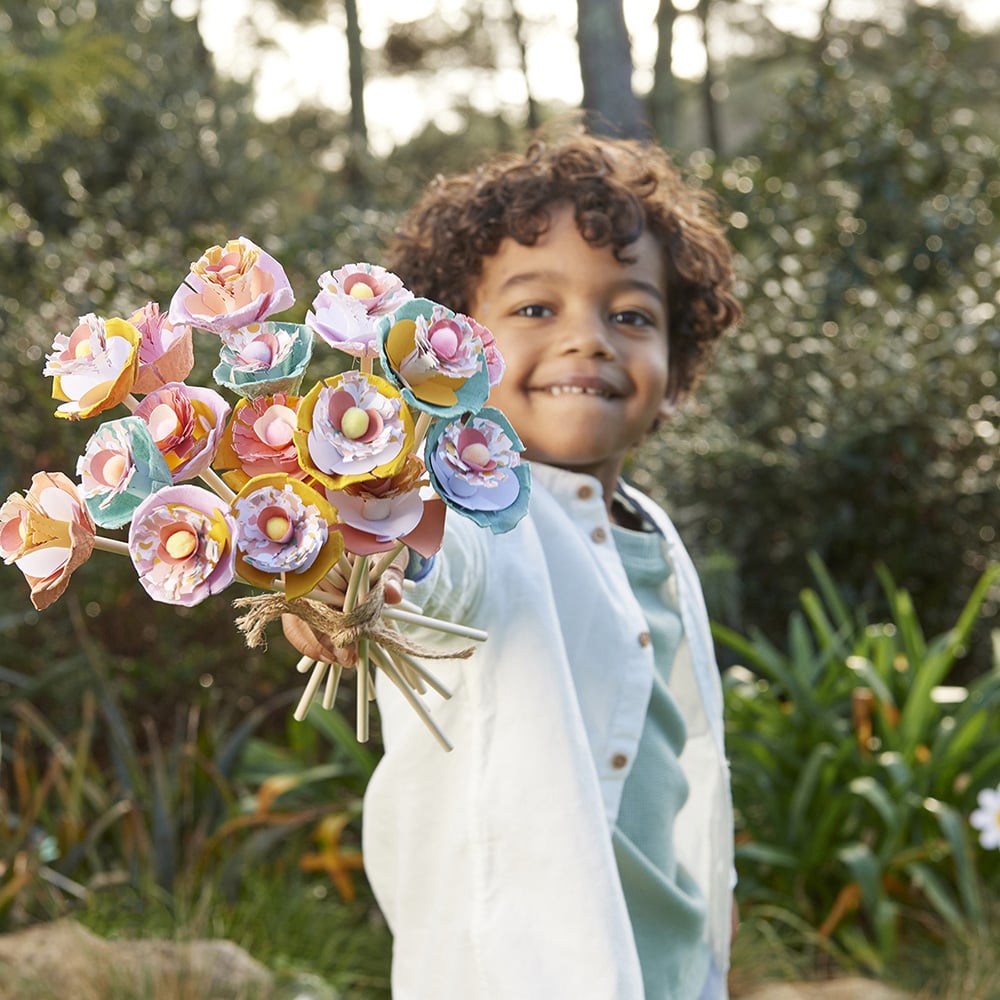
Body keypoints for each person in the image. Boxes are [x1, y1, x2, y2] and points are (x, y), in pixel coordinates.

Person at [363, 126, 739, 999]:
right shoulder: (470, 516)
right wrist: (360, 579)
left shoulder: (652, 534)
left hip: (673, 974)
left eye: (632, 315)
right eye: (535, 309)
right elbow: (425, 570)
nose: (590, 340)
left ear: (676, 370)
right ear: (445, 357)